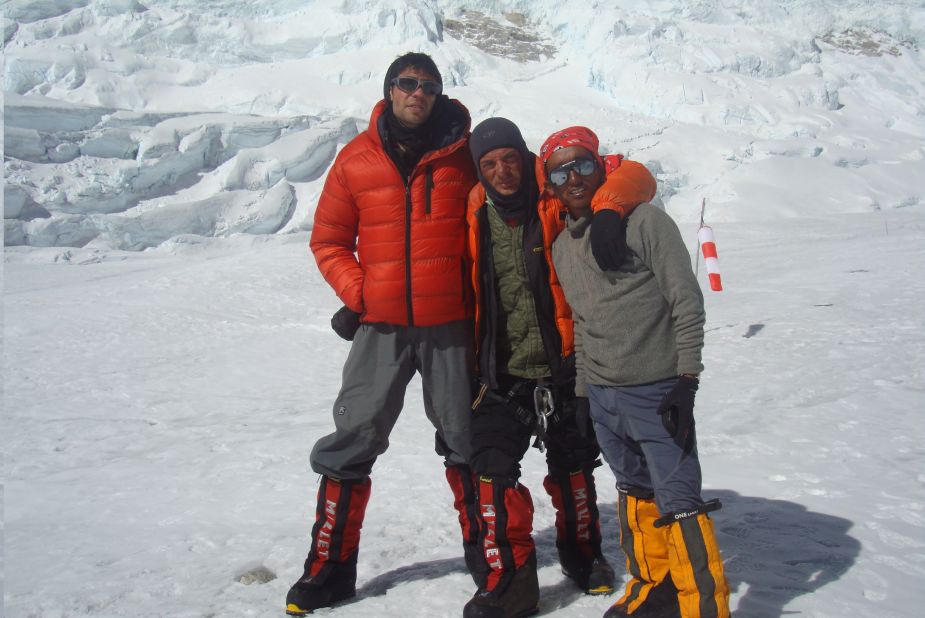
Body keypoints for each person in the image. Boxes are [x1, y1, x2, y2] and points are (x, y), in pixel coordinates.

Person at [285, 52, 479, 616]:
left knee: (469, 439)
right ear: (389, 90)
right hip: (381, 329)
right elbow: (328, 240)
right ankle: (329, 569)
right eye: (407, 83)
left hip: (451, 328)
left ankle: (488, 557)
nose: (417, 92)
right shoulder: (356, 160)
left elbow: (525, 190)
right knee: (353, 439)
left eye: (428, 85)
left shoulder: (466, 155)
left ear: (439, 93)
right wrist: (361, 294)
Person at [462, 118, 657, 618]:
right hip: (499, 372)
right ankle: (512, 581)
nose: (501, 172)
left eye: (509, 159)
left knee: (573, 465)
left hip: (562, 365)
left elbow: (631, 173)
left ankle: (583, 554)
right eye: (488, 164)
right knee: (489, 471)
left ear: (524, 161)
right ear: (478, 171)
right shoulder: (472, 211)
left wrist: (611, 211)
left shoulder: (551, 198)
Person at [543, 126, 731, 618]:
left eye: (583, 165)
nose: (574, 178)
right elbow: (583, 324)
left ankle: (703, 610)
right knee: (635, 493)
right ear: (551, 185)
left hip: (657, 390)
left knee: (680, 501)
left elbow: (686, 302)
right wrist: (585, 394)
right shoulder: (563, 247)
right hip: (604, 396)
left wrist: (686, 380)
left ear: (601, 166)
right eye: (561, 172)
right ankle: (655, 590)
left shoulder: (646, 223)